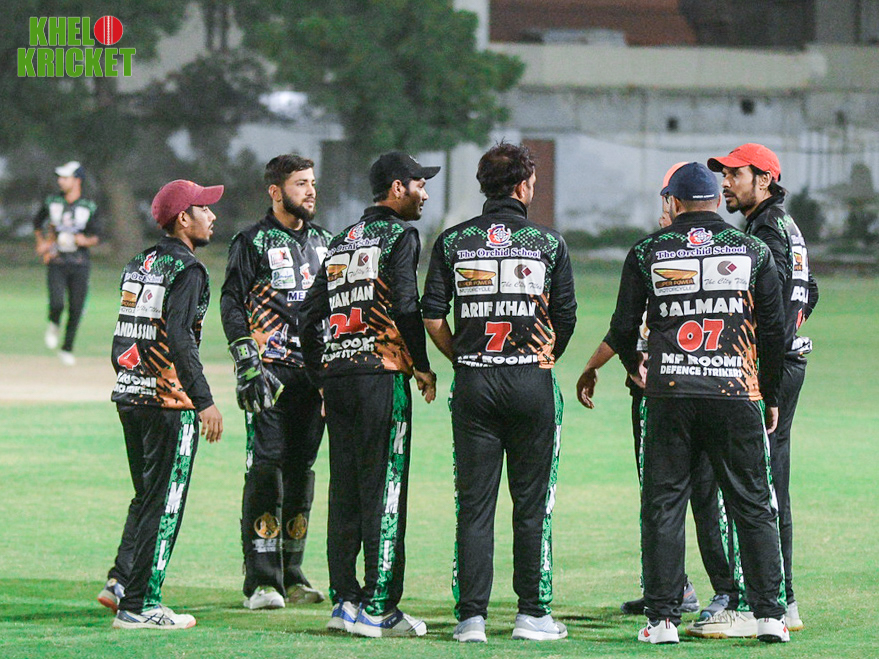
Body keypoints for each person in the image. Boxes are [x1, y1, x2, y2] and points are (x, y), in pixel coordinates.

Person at [580, 162, 788, 645]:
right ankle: (770, 615)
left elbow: (624, 325)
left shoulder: (648, 250)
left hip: (670, 395)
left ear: (673, 202)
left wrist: (635, 366)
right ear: (716, 200)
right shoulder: (752, 249)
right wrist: (771, 393)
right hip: (735, 392)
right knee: (752, 503)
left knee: (664, 504)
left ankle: (662, 621)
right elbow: (774, 330)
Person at [421, 142, 578, 643]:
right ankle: (532, 614)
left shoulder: (453, 241)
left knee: (474, 505)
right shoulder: (548, 243)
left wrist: (461, 358)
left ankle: (471, 618)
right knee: (532, 506)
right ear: (524, 185)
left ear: (484, 187)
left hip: (474, 383)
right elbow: (566, 316)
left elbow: (432, 316)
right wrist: (541, 356)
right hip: (531, 381)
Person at [584, 162, 736, 623]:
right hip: (670, 392)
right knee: (664, 497)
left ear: (678, 201)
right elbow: (629, 329)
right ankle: (674, 589)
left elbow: (625, 327)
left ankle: (724, 590)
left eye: (666, 200)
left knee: (694, 497)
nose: (662, 210)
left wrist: (614, 365)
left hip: (680, 391)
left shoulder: (662, 254)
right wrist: (602, 364)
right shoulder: (661, 253)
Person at [299, 151, 438, 638]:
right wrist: (422, 366)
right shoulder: (401, 236)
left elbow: (307, 317)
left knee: (345, 491)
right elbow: (406, 305)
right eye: (420, 184)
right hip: (381, 376)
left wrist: (321, 377)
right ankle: (380, 608)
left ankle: (345, 601)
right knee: (385, 489)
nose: (425, 194)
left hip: (339, 378)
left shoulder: (342, 240)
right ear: (398, 188)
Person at [98, 179, 225, 630]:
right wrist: (203, 400)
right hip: (168, 401)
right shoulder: (189, 270)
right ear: (183, 218)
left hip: (130, 394)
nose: (212, 215)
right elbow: (180, 338)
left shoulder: (139, 262)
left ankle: (121, 582)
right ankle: (140, 604)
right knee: (163, 502)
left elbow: (126, 331)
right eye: (204, 208)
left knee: (147, 496)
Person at [708, 143, 819, 632]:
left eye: (736, 174)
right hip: (785, 362)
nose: (726, 183)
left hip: (767, 370)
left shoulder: (765, 229)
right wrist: (791, 332)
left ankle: (762, 604)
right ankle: (783, 600)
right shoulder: (785, 226)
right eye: (724, 174)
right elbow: (810, 291)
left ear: (765, 179)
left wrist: (766, 353)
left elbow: (769, 302)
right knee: (771, 484)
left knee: (753, 488)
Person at [220, 155, 332, 610]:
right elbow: (232, 303)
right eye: (300, 183)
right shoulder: (252, 241)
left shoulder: (326, 243)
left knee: (302, 469)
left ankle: (292, 572)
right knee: (267, 466)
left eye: (312, 183)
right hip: (269, 373)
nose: (310, 191)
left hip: (315, 374)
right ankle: (262, 581)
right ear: (275, 191)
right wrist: (246, 361)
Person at [32, 160, 100, 366]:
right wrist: (42, 243)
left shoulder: (88, 206)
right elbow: (37, 222)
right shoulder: (52, 201)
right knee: (57, 303)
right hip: (57, 261)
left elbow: (97, 235)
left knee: (76, 308)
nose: (60, 181)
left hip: (80, 263)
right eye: (60, 177)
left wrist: (85, 241)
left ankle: (67, 348)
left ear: (77, 180)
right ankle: (53, 323)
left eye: (65, 177)